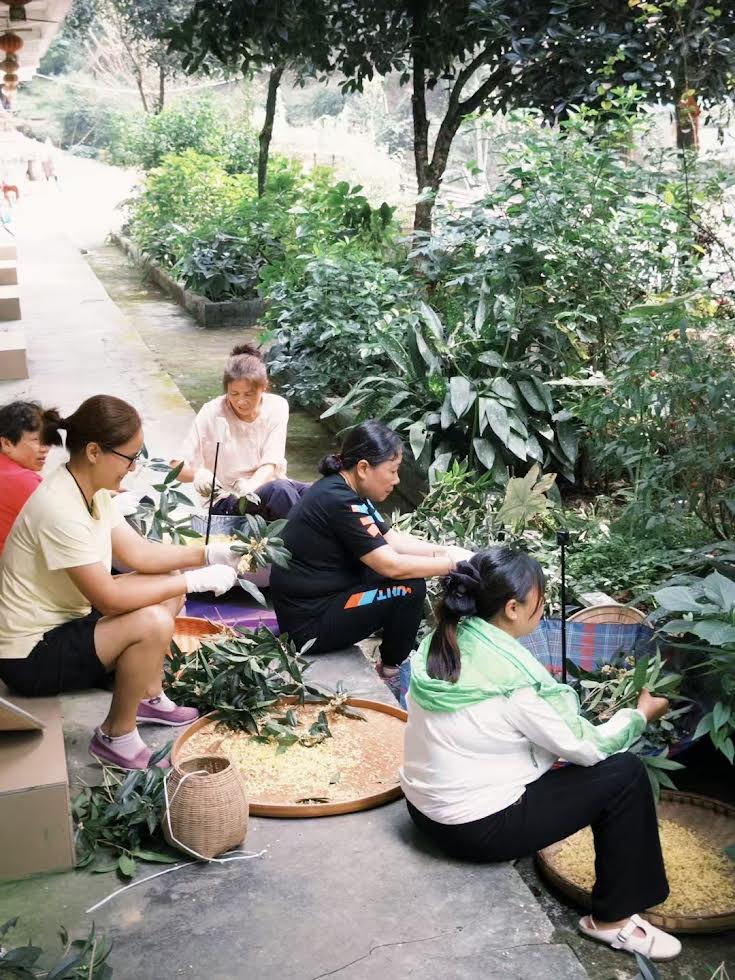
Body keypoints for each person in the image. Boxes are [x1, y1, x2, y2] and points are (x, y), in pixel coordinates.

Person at [400, 546, 680, 961]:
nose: (544, 606)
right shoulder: (513, 682)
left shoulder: (446, 638)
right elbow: (589, 747)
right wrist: (639, 715)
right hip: (473, 830)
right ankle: (613, 920)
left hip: (423, 810)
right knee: (624, 773)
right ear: (512, 608)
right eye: (540, 598)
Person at [0, 395, 240, 770]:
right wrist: (194, 582)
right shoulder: (59, 507)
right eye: (129, 458)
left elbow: (139, 554)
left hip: (67, 623)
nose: (133, 467)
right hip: (29, 654)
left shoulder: (91, 491)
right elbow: (109, 598)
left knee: (167, 579)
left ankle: (147, 695)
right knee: (152, 620)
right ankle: (116, 735)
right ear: (94, 451)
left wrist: (208, 554)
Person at [270, 420, 472, 696]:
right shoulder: (340, 501)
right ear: (364, 468)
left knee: (398, 577)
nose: (396, 480)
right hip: (309, 627)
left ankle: (391, 665)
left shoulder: (347, 491)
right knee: (408, 587)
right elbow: (391, 565)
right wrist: (452, 565)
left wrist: (445, 551)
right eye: (392, 470)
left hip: (322, 600)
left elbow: (392, 540)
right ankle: (390, 672)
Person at [173, 343, 308, 521]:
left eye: (249, 394)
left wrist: (251, 486)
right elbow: (176, 465)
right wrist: (198, 474)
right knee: (282, 491)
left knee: (322, 491)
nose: (241, 401)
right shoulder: (212, 412)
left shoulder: (277, 406)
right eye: (234, 394)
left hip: (266, 486)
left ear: (264, 387)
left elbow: (270, 463)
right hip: (228, 499)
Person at [0, 400, 60, 555]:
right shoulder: (20, 479)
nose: (45, 448)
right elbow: (65, 525)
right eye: (36, 440)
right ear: (6, 443)